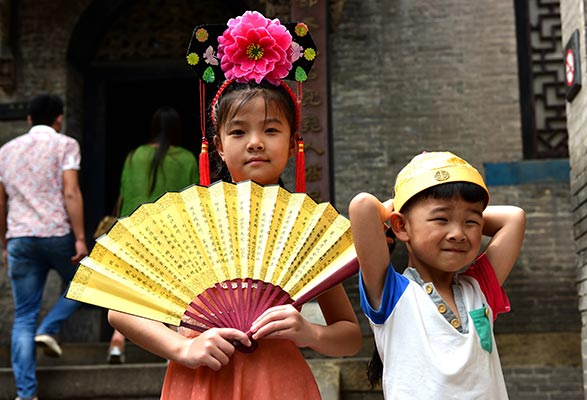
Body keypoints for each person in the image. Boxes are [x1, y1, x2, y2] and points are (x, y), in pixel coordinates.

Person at [108, 11, 362, 400]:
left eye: (271, 129)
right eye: (239, 131)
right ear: (219, 146)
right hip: (200, 375)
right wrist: (183, 347)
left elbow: (348, 336)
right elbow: (119, 310)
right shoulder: (192, 218)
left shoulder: (305, 225)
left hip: (279, 381)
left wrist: (308, 332)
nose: (256, 142)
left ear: (295, 140)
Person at [348, 151, 526, 399]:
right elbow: (362, 206)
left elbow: (514, 218)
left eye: (471, 223)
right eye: (441, 219)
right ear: (400, 226)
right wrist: (398, 209)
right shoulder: (393, 294)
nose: (458, 234)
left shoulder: (478, 289)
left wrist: (457, 211)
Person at [0, 93, 89, 400]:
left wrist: (4, 241)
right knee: (85, 281)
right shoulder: (65, 144)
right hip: (56, 234)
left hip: (19, 238)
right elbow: (71, 192)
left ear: (28, 120)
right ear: (59, 118)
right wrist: (80, 237)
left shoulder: (6, 151)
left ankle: (26, 395)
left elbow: (1, 200)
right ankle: (49, 327)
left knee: (24, 315)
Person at [107, 106, 199, 364]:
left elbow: (125, 194)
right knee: (174, 290)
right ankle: (174, 349)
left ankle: (117, 342)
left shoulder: (134, 156)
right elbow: (194, 198)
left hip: (134, 231)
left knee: (130, 292)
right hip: (173, 234)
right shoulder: (187, 159)